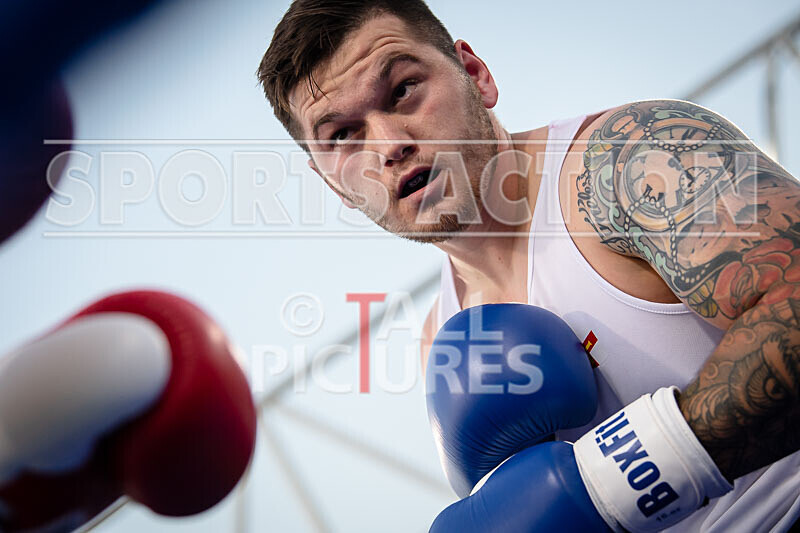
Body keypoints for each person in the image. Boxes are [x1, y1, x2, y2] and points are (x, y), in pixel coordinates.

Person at [257, 1, 800, 531]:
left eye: (402, 91)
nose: (390, 145)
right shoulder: (440, 338)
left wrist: (611, 485)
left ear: (476, 75)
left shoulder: (631, 160)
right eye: (344, 137)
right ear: (333, 184)